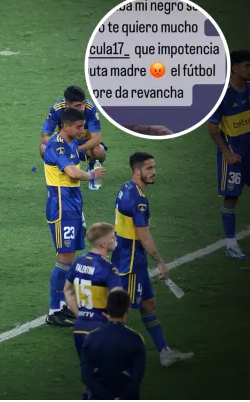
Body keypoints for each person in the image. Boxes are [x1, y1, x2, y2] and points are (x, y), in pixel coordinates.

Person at [112, 152, 193, 366]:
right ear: (137, 171)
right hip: (129, 262)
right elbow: (143, 235)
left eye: (153, 167)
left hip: (131, 257)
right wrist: (160, 262)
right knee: (121, 313)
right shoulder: (138, 199)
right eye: (149, 168)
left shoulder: (126, 188)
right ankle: (109, 359)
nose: (153, 172)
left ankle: (164, 352)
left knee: (148, 303)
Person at [43, 107, 106, 327]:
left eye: (83, 126)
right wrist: (92, 175)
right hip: (62, 207)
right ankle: (54, 310)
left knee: (69, 257)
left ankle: (64, 305)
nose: (82, 130)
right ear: (66, 125)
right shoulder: (56, 144)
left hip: (73, 205)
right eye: (78, 126)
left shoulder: (70, 143)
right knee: (65, 258)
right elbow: (71, 172)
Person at [207, 49, 250, 259]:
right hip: (233, 156)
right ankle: (231, 244)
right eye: (246, 66)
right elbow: (212, 128)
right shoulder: (223, 95)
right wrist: (226, 152)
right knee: (231, 199)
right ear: (234, 68)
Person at [63, 222, 123, 357]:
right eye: (112, 237)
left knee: (89, 372)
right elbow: (118, 297)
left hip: (80, 328)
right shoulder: (108, 267)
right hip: (101, 328)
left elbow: (67, 289)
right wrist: (115, 319)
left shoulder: (78, 261)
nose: (115, 239)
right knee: (111, 372)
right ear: (103, 244)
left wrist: (79, 314)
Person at [80, 289, 145, 400]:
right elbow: (136, 379)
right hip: (126, 394)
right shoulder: (136, 339)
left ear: (108, 309)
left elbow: (86, 376)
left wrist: (104, 397)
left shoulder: (92, 337)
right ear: (128, 310)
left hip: (98, 395)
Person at [40, 85, 107, 190]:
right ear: (67, 104)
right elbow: (44, 135)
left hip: (83, 146)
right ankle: (60, 168)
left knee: (99, 150)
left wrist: (76, 149)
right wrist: (57, 147)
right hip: (64, 144)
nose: (81, 108)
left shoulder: (90, 109)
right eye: (77, 106)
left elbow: (96, 138)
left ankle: (92, 168)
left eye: (83, 104)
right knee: (44, 148)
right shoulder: (57, 109)